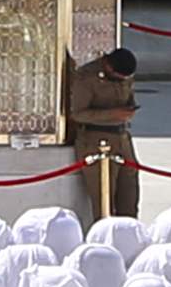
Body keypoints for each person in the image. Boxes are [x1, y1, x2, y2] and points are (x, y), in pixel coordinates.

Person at [59, 43, 143, 219]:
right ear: (108, 66)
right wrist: (113, 114)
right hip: (96, 140)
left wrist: (128, 111)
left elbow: (128, 97)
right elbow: (78, 114)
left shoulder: (125, 76)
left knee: (129, 195)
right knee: (104, 201)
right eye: (118, 77)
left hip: (122, 138)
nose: (123, 81)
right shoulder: (87, 77)